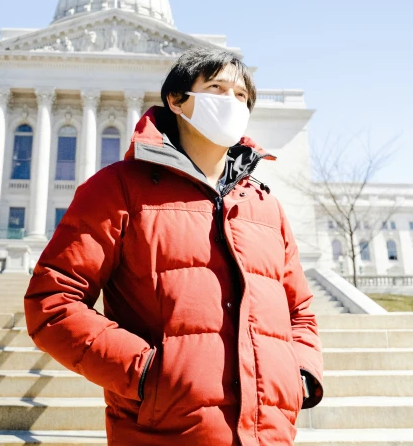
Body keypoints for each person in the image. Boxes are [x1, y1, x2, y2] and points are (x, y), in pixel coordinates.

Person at [24, 48, 323, 446]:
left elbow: (299, 311)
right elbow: (53, 301)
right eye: (217, 88)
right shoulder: (117, 189)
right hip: (165, 432)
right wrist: (148, 374)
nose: (231, 103)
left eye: (241, 96)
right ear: (177, 100)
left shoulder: (265, 206)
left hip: (267, 434)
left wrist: (298, 372)